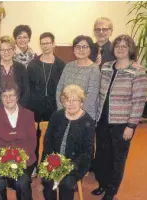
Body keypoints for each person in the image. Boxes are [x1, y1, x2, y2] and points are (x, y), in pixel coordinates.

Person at [93, 35, 147, 200]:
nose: (121, 48)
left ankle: (111, 192)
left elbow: (138, 101)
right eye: (118, 45)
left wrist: (131, 126)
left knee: (117, 159)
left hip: (122, 124)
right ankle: (103, 183)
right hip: (102, 120)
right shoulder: (106, 67)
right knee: (103, 156)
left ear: (131, 49)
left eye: (125, 46)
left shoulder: (138, 71)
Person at [42, 84, 95, 200]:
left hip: (75, 164)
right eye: (67, 100)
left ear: (81, 102)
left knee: (67, 184)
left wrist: (69, 166)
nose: (70, 103)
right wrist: (51, 159)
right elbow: (48, 140)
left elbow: (87, 151)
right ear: (63, 102)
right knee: (47, 181)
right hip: (53, 160)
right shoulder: (57, 116)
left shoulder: (88, 121)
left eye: (74, 100)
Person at [0, 81, 37, 200]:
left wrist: (18, 158)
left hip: (23, 159)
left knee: (22, 183)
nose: (8, 99)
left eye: (11, 95)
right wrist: (4, 160)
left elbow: (31, 141)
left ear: (17, 97)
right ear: (1, 98)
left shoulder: (28, 115)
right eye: (4, 96)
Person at [27, 32, 65, 176]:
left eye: (48, 43)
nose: (46, 46)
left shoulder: (61, 64)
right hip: (35, 107)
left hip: (54, 107)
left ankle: (49, 165)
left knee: (52, 137)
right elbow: (28, 86)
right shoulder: (33, 64)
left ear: (53, 44)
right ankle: (33, 165)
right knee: (33, 137)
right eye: (43, 43)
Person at [56, 35, 100, 121]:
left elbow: (91, 97)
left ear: (90, 49)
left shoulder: (94, 69)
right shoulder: (68, 66)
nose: (81, 50)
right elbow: (59, 89)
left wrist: (75, 114)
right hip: (65, 114)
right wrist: (62, 110)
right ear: (73, 49)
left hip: (84, 116)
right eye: (77, 47)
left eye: (84, 47)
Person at [0, 35, 30, 113]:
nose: (6, 52)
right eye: (3, 50)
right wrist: (0, 109)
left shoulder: (21, 68)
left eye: (9, 49)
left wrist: (17, 108)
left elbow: (26, 91)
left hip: (18, 111)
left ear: (14, 50)